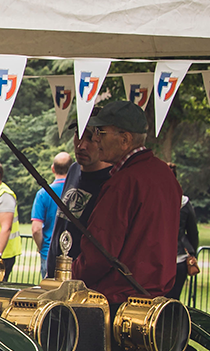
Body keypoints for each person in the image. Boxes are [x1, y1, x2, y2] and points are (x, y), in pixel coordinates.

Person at [73, 100, 180, 303]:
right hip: (154, 296)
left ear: (125, 139)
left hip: (119, 298)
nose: (96, 140)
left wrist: (72, 273)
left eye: (101, 133)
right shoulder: (163, 173)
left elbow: (100, 252)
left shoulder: (124, 182)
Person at [47, 131, 112, 279]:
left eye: (90, 139)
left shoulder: (112, 180)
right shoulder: (74, 169)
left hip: (83, 282)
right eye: (79, 136)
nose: (81, 146)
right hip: (55, 274)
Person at [31, 152, 69, 274]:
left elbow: (36, 229)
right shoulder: (76, 193)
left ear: (53, 168)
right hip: (71, 254)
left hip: (49, 252)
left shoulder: (43, 194)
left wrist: (41, 247)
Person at [170, 182, 200, 303]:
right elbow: (193, 231)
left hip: (156, 257)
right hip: (179, 257)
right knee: (174, 300)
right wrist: (193, 253)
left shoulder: (153, 199)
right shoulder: (184, 203)